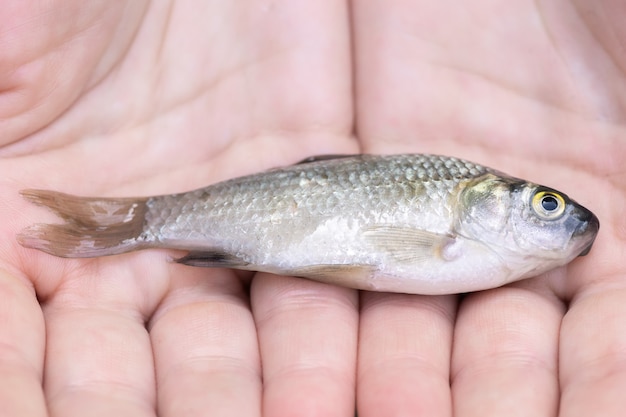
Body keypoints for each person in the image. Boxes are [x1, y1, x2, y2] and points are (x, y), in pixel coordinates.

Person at [0, 1, 621, 416]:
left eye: (551, 206)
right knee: (149, 225)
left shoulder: (479, 249)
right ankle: (133, 224)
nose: (563, 220)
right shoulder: (462, 231)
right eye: (546, 205)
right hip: (257, 214)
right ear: (480, 201)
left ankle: (126, 225)